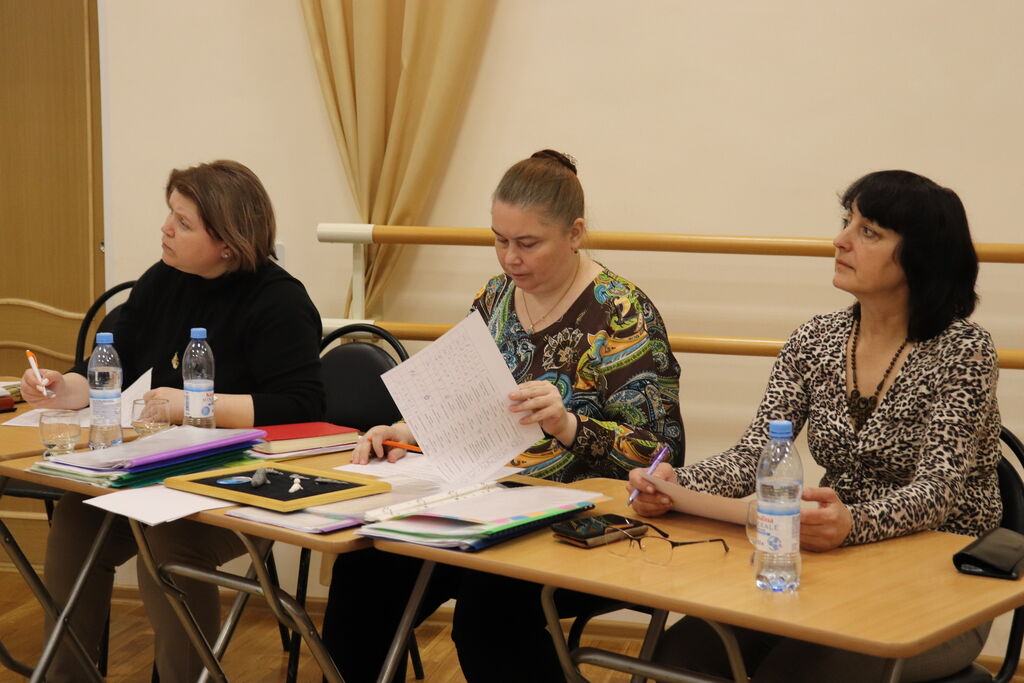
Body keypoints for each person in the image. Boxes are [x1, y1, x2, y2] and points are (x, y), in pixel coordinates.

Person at [321, 149, 684, 682]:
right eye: (499, 240)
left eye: (527, 243)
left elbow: (662, 455)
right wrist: (401, 433)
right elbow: (462, 398)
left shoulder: (621, 313)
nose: (510, 258)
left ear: (575, 233)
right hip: (485, 504)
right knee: (364, 577)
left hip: (582, 520)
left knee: (489, 611)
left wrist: (568, 426)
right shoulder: (495, 297)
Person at [629, 170, 1001, 682]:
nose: (840, 240)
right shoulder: (816, 339)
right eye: (847, 221)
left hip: (946, 580)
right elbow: (755, 453)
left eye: (868, 231)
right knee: (675, 658)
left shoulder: (964, 350)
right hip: (833, 566)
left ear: (921, 255)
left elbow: (937, 491)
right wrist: (675, 483)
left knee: (798, 674)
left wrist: (852, 524)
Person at [20, 159, 325, 682]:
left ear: (227, 242)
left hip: (243, 482)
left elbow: (303, 408)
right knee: (76, 516)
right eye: (170, 215)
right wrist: (59, 387)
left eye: (183, 223)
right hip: (157, 471)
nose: (165, 229)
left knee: (168, 540)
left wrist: (195, 405)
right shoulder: (164, 280)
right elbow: (106, 370)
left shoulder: (279, 300)